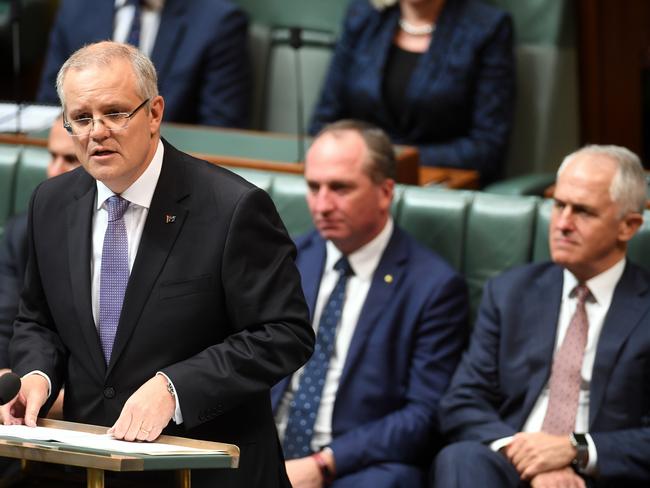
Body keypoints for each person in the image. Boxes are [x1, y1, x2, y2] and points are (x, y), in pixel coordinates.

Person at [3, 41, 314, 488]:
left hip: (204, 469)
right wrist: (36, 376)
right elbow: (38, 319)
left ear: (154, 113)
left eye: (114, 113)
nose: (97, 132)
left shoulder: (232, 208)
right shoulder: (51, 202)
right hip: (91, 465)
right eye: (82, 119)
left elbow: (285, 333)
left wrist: (175, 388)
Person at [434, 145, 650, 487]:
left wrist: (575, 450)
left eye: (583, 212)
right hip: (513, 463)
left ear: (628, 226)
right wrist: (528, 455)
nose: (562, 223)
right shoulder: (509, 293)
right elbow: (463, 401)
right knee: (460, 458)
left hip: (604, 472)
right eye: (559, 205)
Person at [272, 120, 468, 487]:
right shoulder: (290, 259)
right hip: (265, 453)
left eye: (341, 188)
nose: (323, 205)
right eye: (314, 187)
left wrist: (323, 463)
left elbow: (423, 415)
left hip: (358, 467)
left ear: (385, 192)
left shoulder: (433, 287)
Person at [309, 0, 515, 185]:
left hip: (440, 186)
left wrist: (390, 160)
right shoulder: (364, 16)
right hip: (356, 182)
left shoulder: (487, 27)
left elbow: (487, 147)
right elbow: (322, 123)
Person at [36, 0, 250, 128]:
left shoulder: (218, 22)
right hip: (82, 164)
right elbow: (51, 107)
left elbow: (219, 130)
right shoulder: (76, 9)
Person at [0, 115, 80, 370]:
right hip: (34, 383)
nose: (54, 171)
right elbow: (6, 325)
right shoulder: (22, 231)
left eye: (70, 159)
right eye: (52, 156)